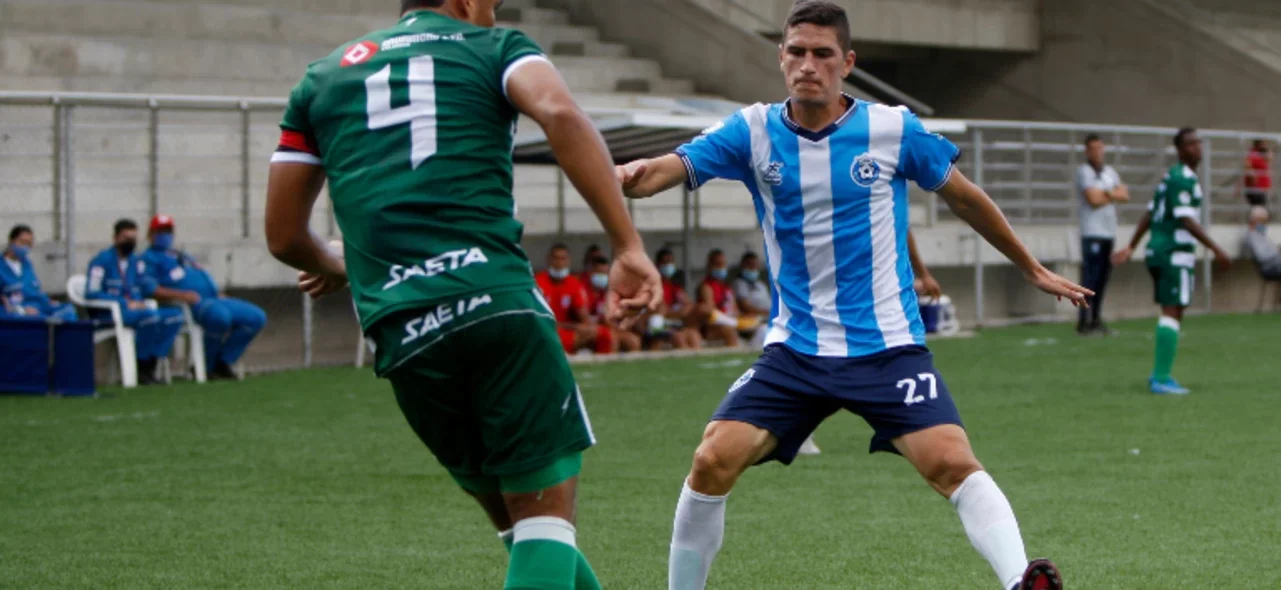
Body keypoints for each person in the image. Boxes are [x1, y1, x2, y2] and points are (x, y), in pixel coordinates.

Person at [616, 2, 1087, 588]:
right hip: (796, 351)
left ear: (847, 63)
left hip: (886, 348)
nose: (807, 65)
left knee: (951, 462)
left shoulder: (893, 129)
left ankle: (1022, 581)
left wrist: (1031, 267)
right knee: (712, 459)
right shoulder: (752, 130)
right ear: (780, 57)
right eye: (796, 52)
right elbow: (666, 169)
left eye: (822, 54)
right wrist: (623, 176)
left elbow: (964, 197)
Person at [262, 1, 662, 588]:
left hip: (402, 330)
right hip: (494, 302)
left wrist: (337, 262)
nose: (493, 14)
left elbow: (283, 236)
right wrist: (626, 244)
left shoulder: (322, 78)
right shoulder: (495, 50)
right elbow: (559, 112)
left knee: (525, 530)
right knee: (543, 519)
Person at [1113, 128, 1233, 396]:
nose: (1197, 147)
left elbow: (1150, 214)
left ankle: (1161, 374)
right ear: (1179, 150)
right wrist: (1217, 249)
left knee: (1175, 310)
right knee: (1172, 310)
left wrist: (1131, 246)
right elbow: (1186, 219)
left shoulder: (1171, 177)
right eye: (1190, 143)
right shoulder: (1182, 178)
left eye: (1198, 142)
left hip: (1161, 251)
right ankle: (1161, 378)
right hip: (1172, 253)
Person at [142, 214, 267, 380]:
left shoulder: (181, 255)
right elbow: (151, 289)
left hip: (214, 298)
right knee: (220, 317)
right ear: (150, 234)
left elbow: (200, 274)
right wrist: (182, 295)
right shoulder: (148, 259)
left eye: (168, 231)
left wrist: (216, 291)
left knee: (256, 317)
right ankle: (207, 365)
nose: (165, 235)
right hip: (192, 302)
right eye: (160, 231)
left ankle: (223, 361)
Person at [86, 219, 185, 386]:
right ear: (115, 238)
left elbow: (140, 287)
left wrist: (141, 300)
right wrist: (124, 302)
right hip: (111, 312)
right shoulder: (101, 261)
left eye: (133, 239)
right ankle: (142, 365)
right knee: (150, 318)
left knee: (174, 317)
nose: (130, 243)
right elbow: (91, 293)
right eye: (126, 238)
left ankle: (153, 360)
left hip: (137, 309)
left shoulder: (136, 262)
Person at [1075, 134, 1129, 335]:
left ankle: (1096, 318)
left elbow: (1124, 195)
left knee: (1102, 278)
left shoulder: (1109, 172)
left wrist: (1105, 194)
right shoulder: (1084, 172)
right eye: (1093, 148)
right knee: (1089, 278)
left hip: (1108, 232)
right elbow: (1093, 200)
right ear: (1087, 151)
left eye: (1100, 148)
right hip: (1092, 232)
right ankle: (1083, 321)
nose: (1097, 152)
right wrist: (1111, 194)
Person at [536, 244, 616, 355]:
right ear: (549, 260)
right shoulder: (538, 282)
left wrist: (584, 326)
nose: (559, 263)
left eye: (563, 259)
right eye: (556, 258)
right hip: (545, 329)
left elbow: (584, 317)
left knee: (604, 334)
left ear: (568, 261)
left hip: (566, 331)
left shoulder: (574, 284)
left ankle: (602, 363)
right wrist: (573, 326)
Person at [0, 224, 77, 320]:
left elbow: (35, 289)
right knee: (35, 318)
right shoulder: (2, 268)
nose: (25, 247)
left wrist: (48, 301)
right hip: (15, 311)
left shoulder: (26, 265)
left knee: (68, 310)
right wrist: (21, 310)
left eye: (29, 244)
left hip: (37, 305)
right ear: (11, 241)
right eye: (22, 242)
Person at [584, 255, 642, 352]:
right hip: (590, 329)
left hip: (608, 329)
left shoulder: (607, 293)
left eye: (605, 273)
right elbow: (585, 319)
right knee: (612, 340)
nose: (603, 276)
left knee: (633, 341)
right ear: (591, 273)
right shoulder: (582, 290)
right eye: (599, 272)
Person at [650, 248, 703, 350]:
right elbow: (661, 311)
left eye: (671, 262)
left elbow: (689, 305)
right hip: (658, 327)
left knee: (694, 335)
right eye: (665, 262)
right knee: (678, 337)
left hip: (675, 324)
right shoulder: (653, 286)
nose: (669, 265)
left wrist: (675, 312)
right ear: (658, 265)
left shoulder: (675, 287)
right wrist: (678, 312)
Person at [731, 251, 770, 321]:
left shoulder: (761, 284)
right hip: (754, 318)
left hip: (768, 316)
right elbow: (744, 306)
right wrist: (764, 312)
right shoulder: (739, 283)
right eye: (749, 265)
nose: (752, 268)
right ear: (742, 266)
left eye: (755, 265)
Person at [1245, 206, 1281, 280]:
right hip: (1270, 268)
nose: (1265, 224)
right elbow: (1262, 256)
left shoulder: (1260, 235)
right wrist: (1277, 252)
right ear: (1253, 221)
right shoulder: (1253, 237)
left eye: (1266, 221)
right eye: (1263, 221)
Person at [1243, 139, 1272, 207]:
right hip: (1256, 188)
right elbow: (1247, 166)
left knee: (1260, 208)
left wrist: (1267, 151)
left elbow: (1269, 159)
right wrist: (1253, 179)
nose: (1265, 146)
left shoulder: (1262, 154)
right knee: (1259, 209)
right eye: (1264, 144)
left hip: (1262, 188)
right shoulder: (1253, 154)